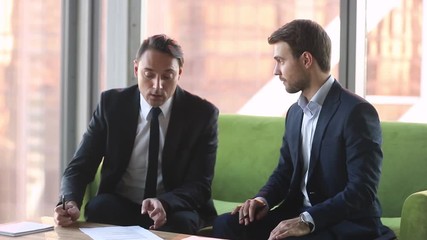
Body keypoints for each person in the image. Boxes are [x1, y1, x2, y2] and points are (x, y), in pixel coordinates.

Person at [212, 19, 396, 240]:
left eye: (281, 61)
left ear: (306, 59)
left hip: (344, 222)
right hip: (297, 213)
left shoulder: (356, 112)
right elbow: (285, 171)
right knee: (226, 225)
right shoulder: (294, 113)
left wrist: (308, 220)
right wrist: (263, 200)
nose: (275, 71)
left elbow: (362, 190)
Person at [54, 34, 219, 235]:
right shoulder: (112, 105)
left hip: (172, 209)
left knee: (183, 223)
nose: (157, 86)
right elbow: (80, 167)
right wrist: (69, 201)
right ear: (136, 69)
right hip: (121, 205)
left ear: (179, 73)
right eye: (148, 74)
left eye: (167, 76)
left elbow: (200, 185)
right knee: (99, 208)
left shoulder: (201, 115)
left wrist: (164, 203)